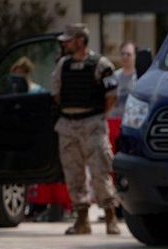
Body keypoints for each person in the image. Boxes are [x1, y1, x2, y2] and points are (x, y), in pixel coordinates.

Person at [51, 23, 121, 235]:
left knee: (100, 171)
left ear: (80, 41)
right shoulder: (63, 65)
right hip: (68, 125)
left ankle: (111, 217)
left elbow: (111, 95)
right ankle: (82, 220)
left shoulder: (101, 65)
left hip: (93, 125)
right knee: (73, 174)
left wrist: (96, 114)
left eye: (69, 40)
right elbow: (56, 93)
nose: (65, 44)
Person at [107, 41, 136, 118]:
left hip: (131, 121)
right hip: (114, 121)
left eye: (128, 54)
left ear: (135, 56)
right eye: (122, 54)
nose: (125, 57)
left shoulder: (140, 78)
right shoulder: (113, 77)